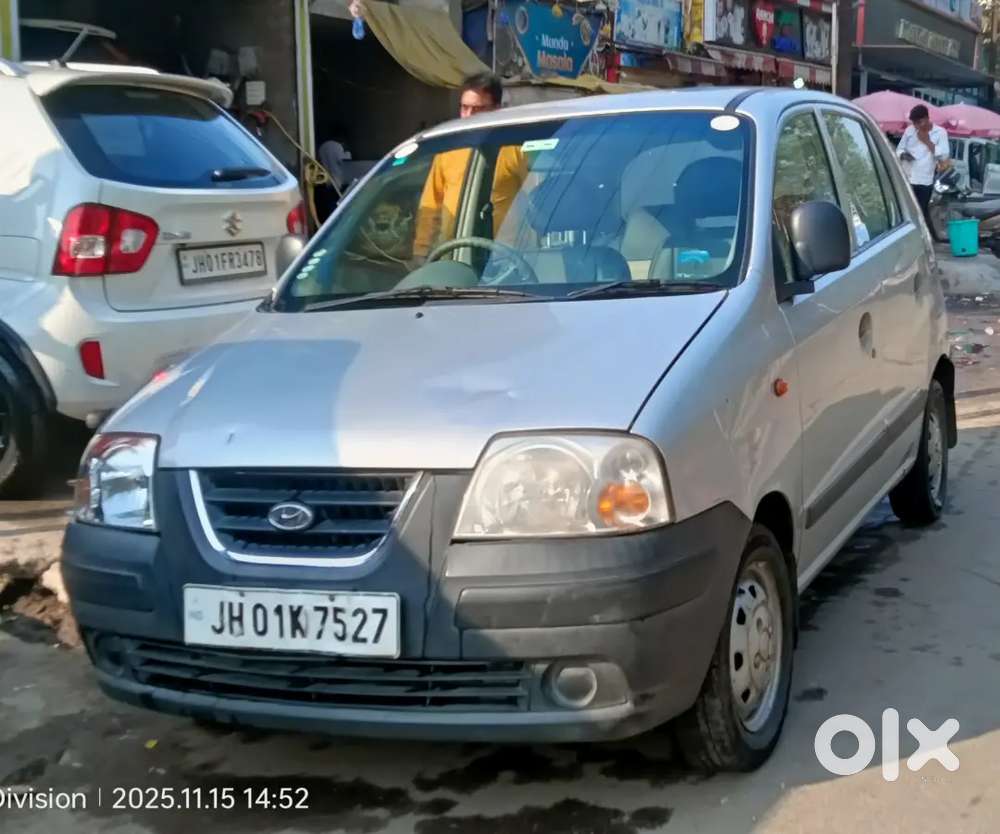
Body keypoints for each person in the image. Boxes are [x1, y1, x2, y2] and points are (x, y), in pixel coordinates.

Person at [412, 73, 528, 258]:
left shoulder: (514, 148)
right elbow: (431, 205)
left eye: (477, 109)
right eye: (465, 108)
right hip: (454, 254)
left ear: (496, 109)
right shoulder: (448, 150)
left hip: (503, 257)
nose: (468, 116)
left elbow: (535, 200)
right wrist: (421, 250)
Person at [896, 104, 950, 225]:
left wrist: (927, 141)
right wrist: (904, 155)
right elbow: (899, 149)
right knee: (905, 212)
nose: (916, 126)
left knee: (920, 213)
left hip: (924, 181)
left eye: (919, 122)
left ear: (926, 118)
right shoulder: (910, 130)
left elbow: (944, 156)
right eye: (914, 123)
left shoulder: (940, 133)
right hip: (907, 178)